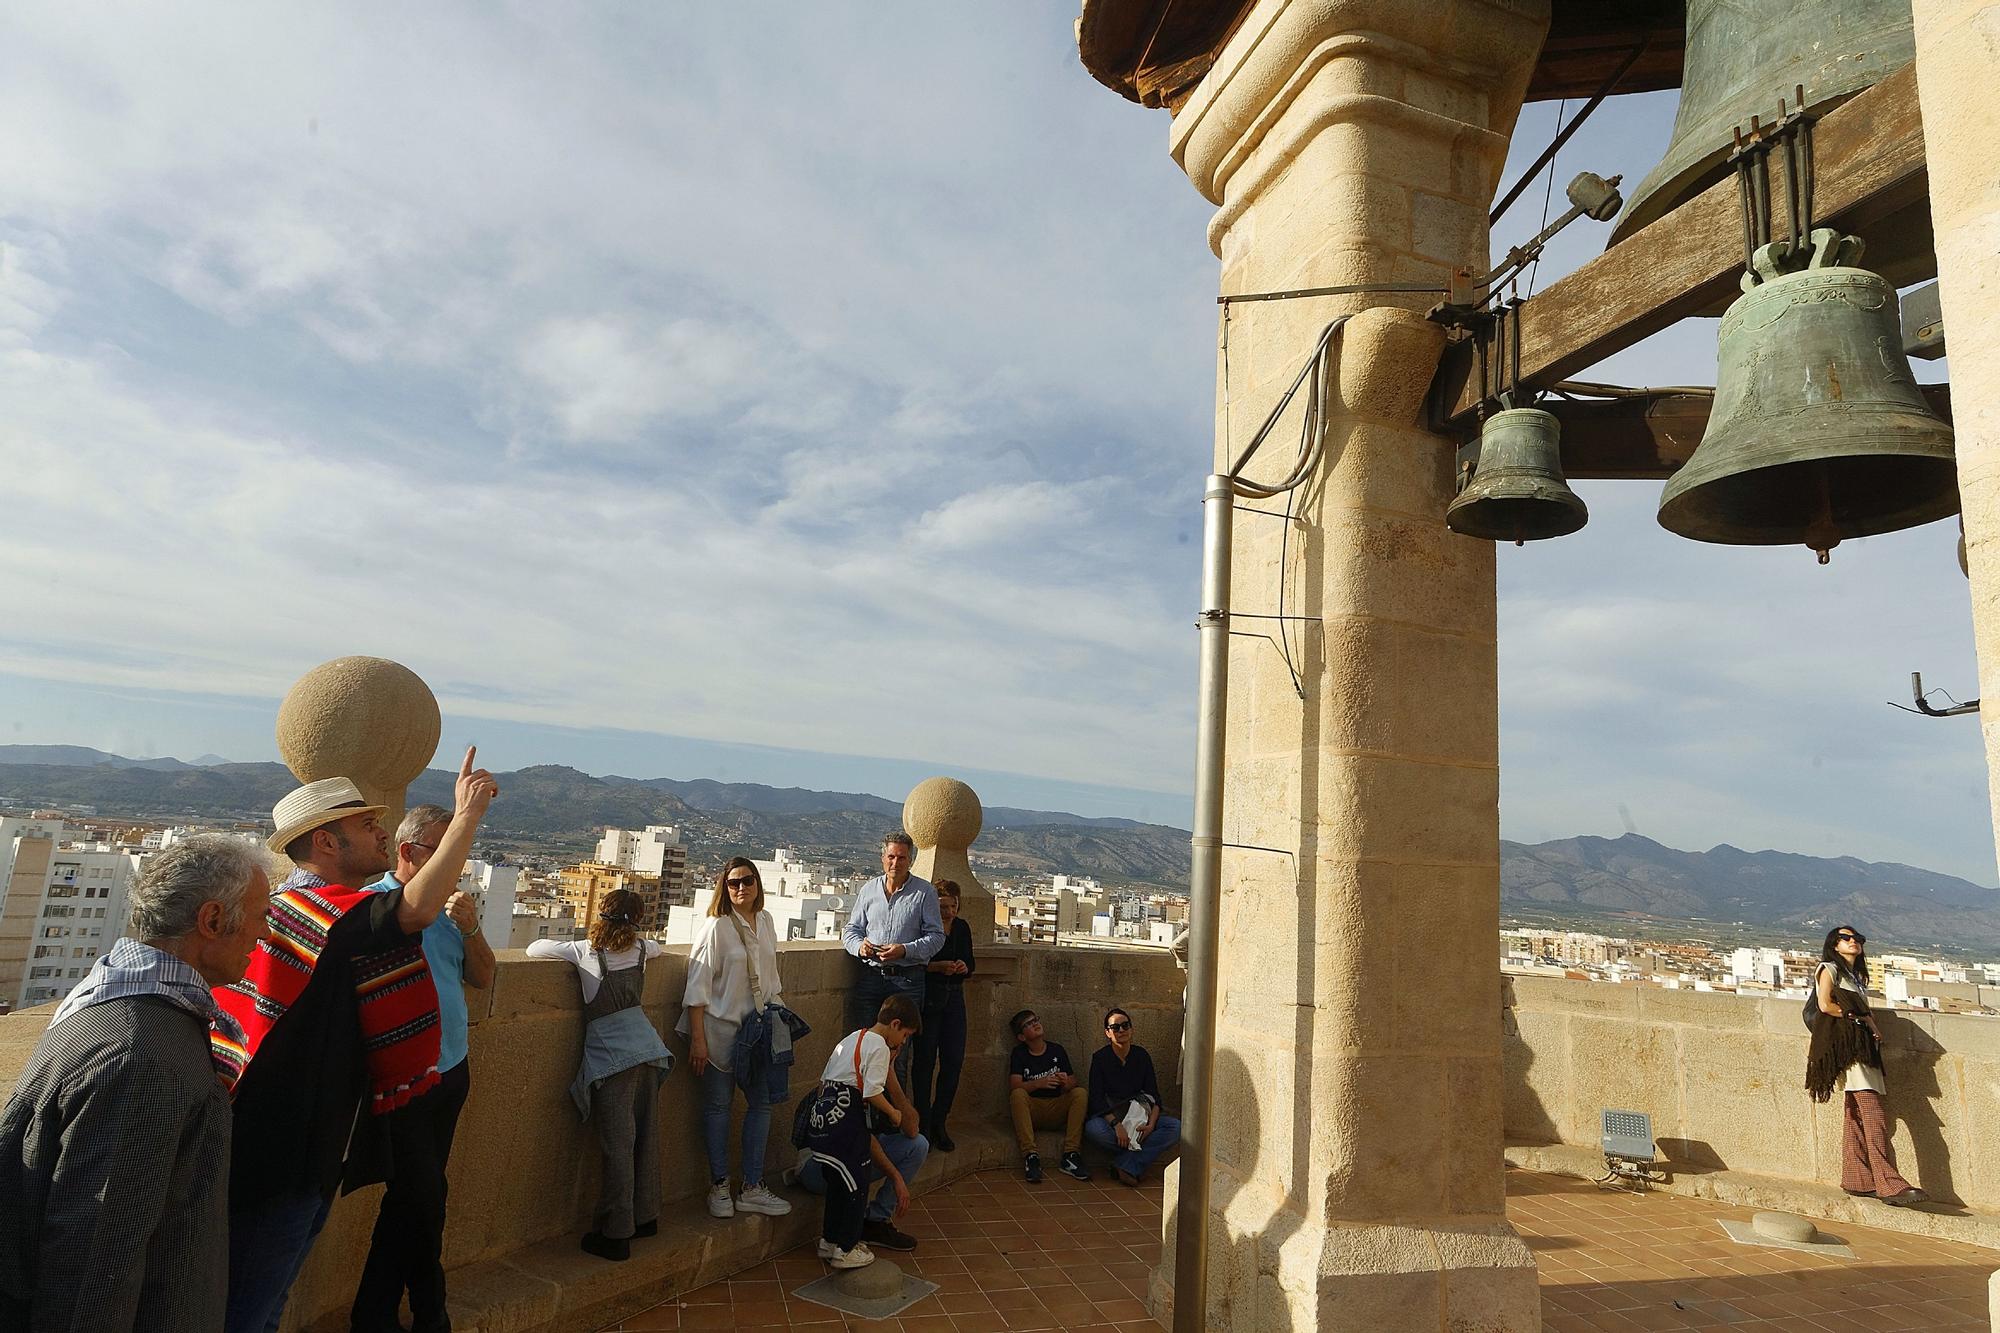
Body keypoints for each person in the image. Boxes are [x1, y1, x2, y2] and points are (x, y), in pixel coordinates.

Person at [221, 752, 497, 1333]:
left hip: (301, 1143)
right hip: (284, 1151)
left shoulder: (296, 910)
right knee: (249, 1309)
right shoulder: (329, 916)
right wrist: (468, 814)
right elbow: (417, 908)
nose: (380, 831)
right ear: (326, 842)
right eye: (366, 825)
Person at [0, 835, 270, 1333]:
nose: (264, 935)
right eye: (260, 916)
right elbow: (94, 1267)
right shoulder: (144, 1060)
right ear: (212, 920)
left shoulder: (118, 1005)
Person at [349, 805, 498, 1333]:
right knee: (425, 1196)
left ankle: (374, 1314)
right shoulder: (375, 908)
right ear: (410, 853)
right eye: (447, 852)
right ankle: (430, 1310)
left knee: (412, 1198)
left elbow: (483, 978)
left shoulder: (451, 911)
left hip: (450, 1070)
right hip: (399, 1080)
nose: (457, 866)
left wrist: (473, 927)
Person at [527, 888, 675, 1261]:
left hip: (612, 1059)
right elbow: (658, 948)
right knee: (646, 1138)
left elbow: (533, 950)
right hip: (649, 1050)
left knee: (618, 1147)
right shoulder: (642, 950)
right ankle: (646, 1218)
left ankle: (616, 1234)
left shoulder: (585, 952)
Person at [679, 857, 792, 1221]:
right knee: (717, 1109)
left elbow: (772, 977)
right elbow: (697, 987)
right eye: (733, 883)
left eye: (747, 880)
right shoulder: (716, 928)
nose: (741, 888)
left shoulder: (768, 922)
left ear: (758, 883)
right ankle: (720, 1185)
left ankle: (753, 1186)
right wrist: (698, 1039)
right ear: (723, 889)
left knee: (761, 1105)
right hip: (720, 1033)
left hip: (757, 1034)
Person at [798, 994, 928, 1262]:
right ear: (895, 1024)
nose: (902, 1043)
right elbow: (870, 1093)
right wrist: (893, 1112)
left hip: (824, 1126)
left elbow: (824, 1083)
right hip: (848, 1128)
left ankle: (829, 1241)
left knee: (837, 1186)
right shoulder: (879, 1046)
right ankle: (846, 1249)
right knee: (856, 1188)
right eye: (904, 1035)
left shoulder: (852, 1038)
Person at [1806, 925, 1927, 1206]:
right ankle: (1888, 1183)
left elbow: (1863, 1010)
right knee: (1873, 1113)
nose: (1853, 942)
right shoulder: (1829, 968)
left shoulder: (1856, 977)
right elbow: (1825, 1005)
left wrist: (1870, 1023)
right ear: (1834, 944)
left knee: (1855, 1114)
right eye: (1846, 938)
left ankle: (1857, 1178)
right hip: (1849, 1049)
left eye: (1857, 938)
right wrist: (1854, 1017)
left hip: (1862, 1046)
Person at [842, 832, 943, 1091]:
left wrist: (905, 950)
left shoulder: (924, 893)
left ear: (910, 860)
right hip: (870, 979)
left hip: (906, 981)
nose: (895, 863)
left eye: (901, 857)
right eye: (891, 856)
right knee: (863, 1048)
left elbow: (936, 937)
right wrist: (859, 947)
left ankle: (891, 1121)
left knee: (897, 1054)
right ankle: (863, 1116)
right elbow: (850, 930)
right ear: (882, 858)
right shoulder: (868, 890)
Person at [910, 877, 974, 1151]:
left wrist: (962, 967)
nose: (948, 912)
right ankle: (923, 1120)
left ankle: (940, 1120)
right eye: (943, 906)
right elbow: (914, 962)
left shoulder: (962, 928)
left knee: (953, 1062)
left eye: (952, 906)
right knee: (924, 1063)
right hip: (930, 1000)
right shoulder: (925, 928)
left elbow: (970, 963)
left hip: (955, 1000)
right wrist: (937, 967)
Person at [1084, 1007, 1181, 1186]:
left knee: (1175, 1127)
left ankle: (1125, 1164)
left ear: (1131, 1029)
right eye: (1115, 1027)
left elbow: (1154, 1096)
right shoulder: (1100, 1058)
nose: (1121, 1030)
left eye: (1125, 1025)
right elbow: (1096, 1099)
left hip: (1140, 1117)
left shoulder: (1141, 1056)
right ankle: (1132, 1162)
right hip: (1113, 1117)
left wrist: (1151, 1125)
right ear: (1108, 1033)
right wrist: (1117, 1125)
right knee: (1093, 1129)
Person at [1006, 1009, 1090, 1183]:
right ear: (1022, 1036)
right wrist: (1038, 1083)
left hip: (1056, 1108)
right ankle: (1031, 1156)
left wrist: (1065, 1081)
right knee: (1018, 1095)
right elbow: (1015, 1086)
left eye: (1035, 1019)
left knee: (1080, 1093)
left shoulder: (1056, 1050)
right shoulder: (1020, 1054)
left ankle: (1071, 1154)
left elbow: (1073, 1082)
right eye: (1028, 1024)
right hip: (1033, 1110)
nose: (1035, 1024)